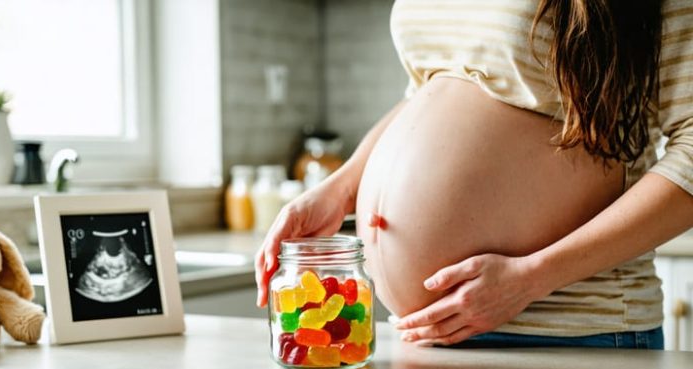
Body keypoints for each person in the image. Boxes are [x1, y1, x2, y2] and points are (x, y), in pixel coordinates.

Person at [255, 0, 693, 349]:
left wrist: (530, 278)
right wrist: (341, 187)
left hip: (567, 333)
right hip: (420, 336)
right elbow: (429, 93)